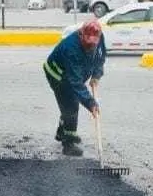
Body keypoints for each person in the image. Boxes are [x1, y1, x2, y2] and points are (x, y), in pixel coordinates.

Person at [43, 19, 106, 157]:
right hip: (57, 73)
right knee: (70, 106)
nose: (90, 47)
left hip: (73, 73)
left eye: (93, 44)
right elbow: (75, 82)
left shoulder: (98, 37)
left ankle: (62, 132)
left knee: (68, 105)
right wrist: (91, 103)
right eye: (87, 44)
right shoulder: (71, 48)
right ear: (81, 35)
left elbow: (100, 57)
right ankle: (68, 144)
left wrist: (96, 74)